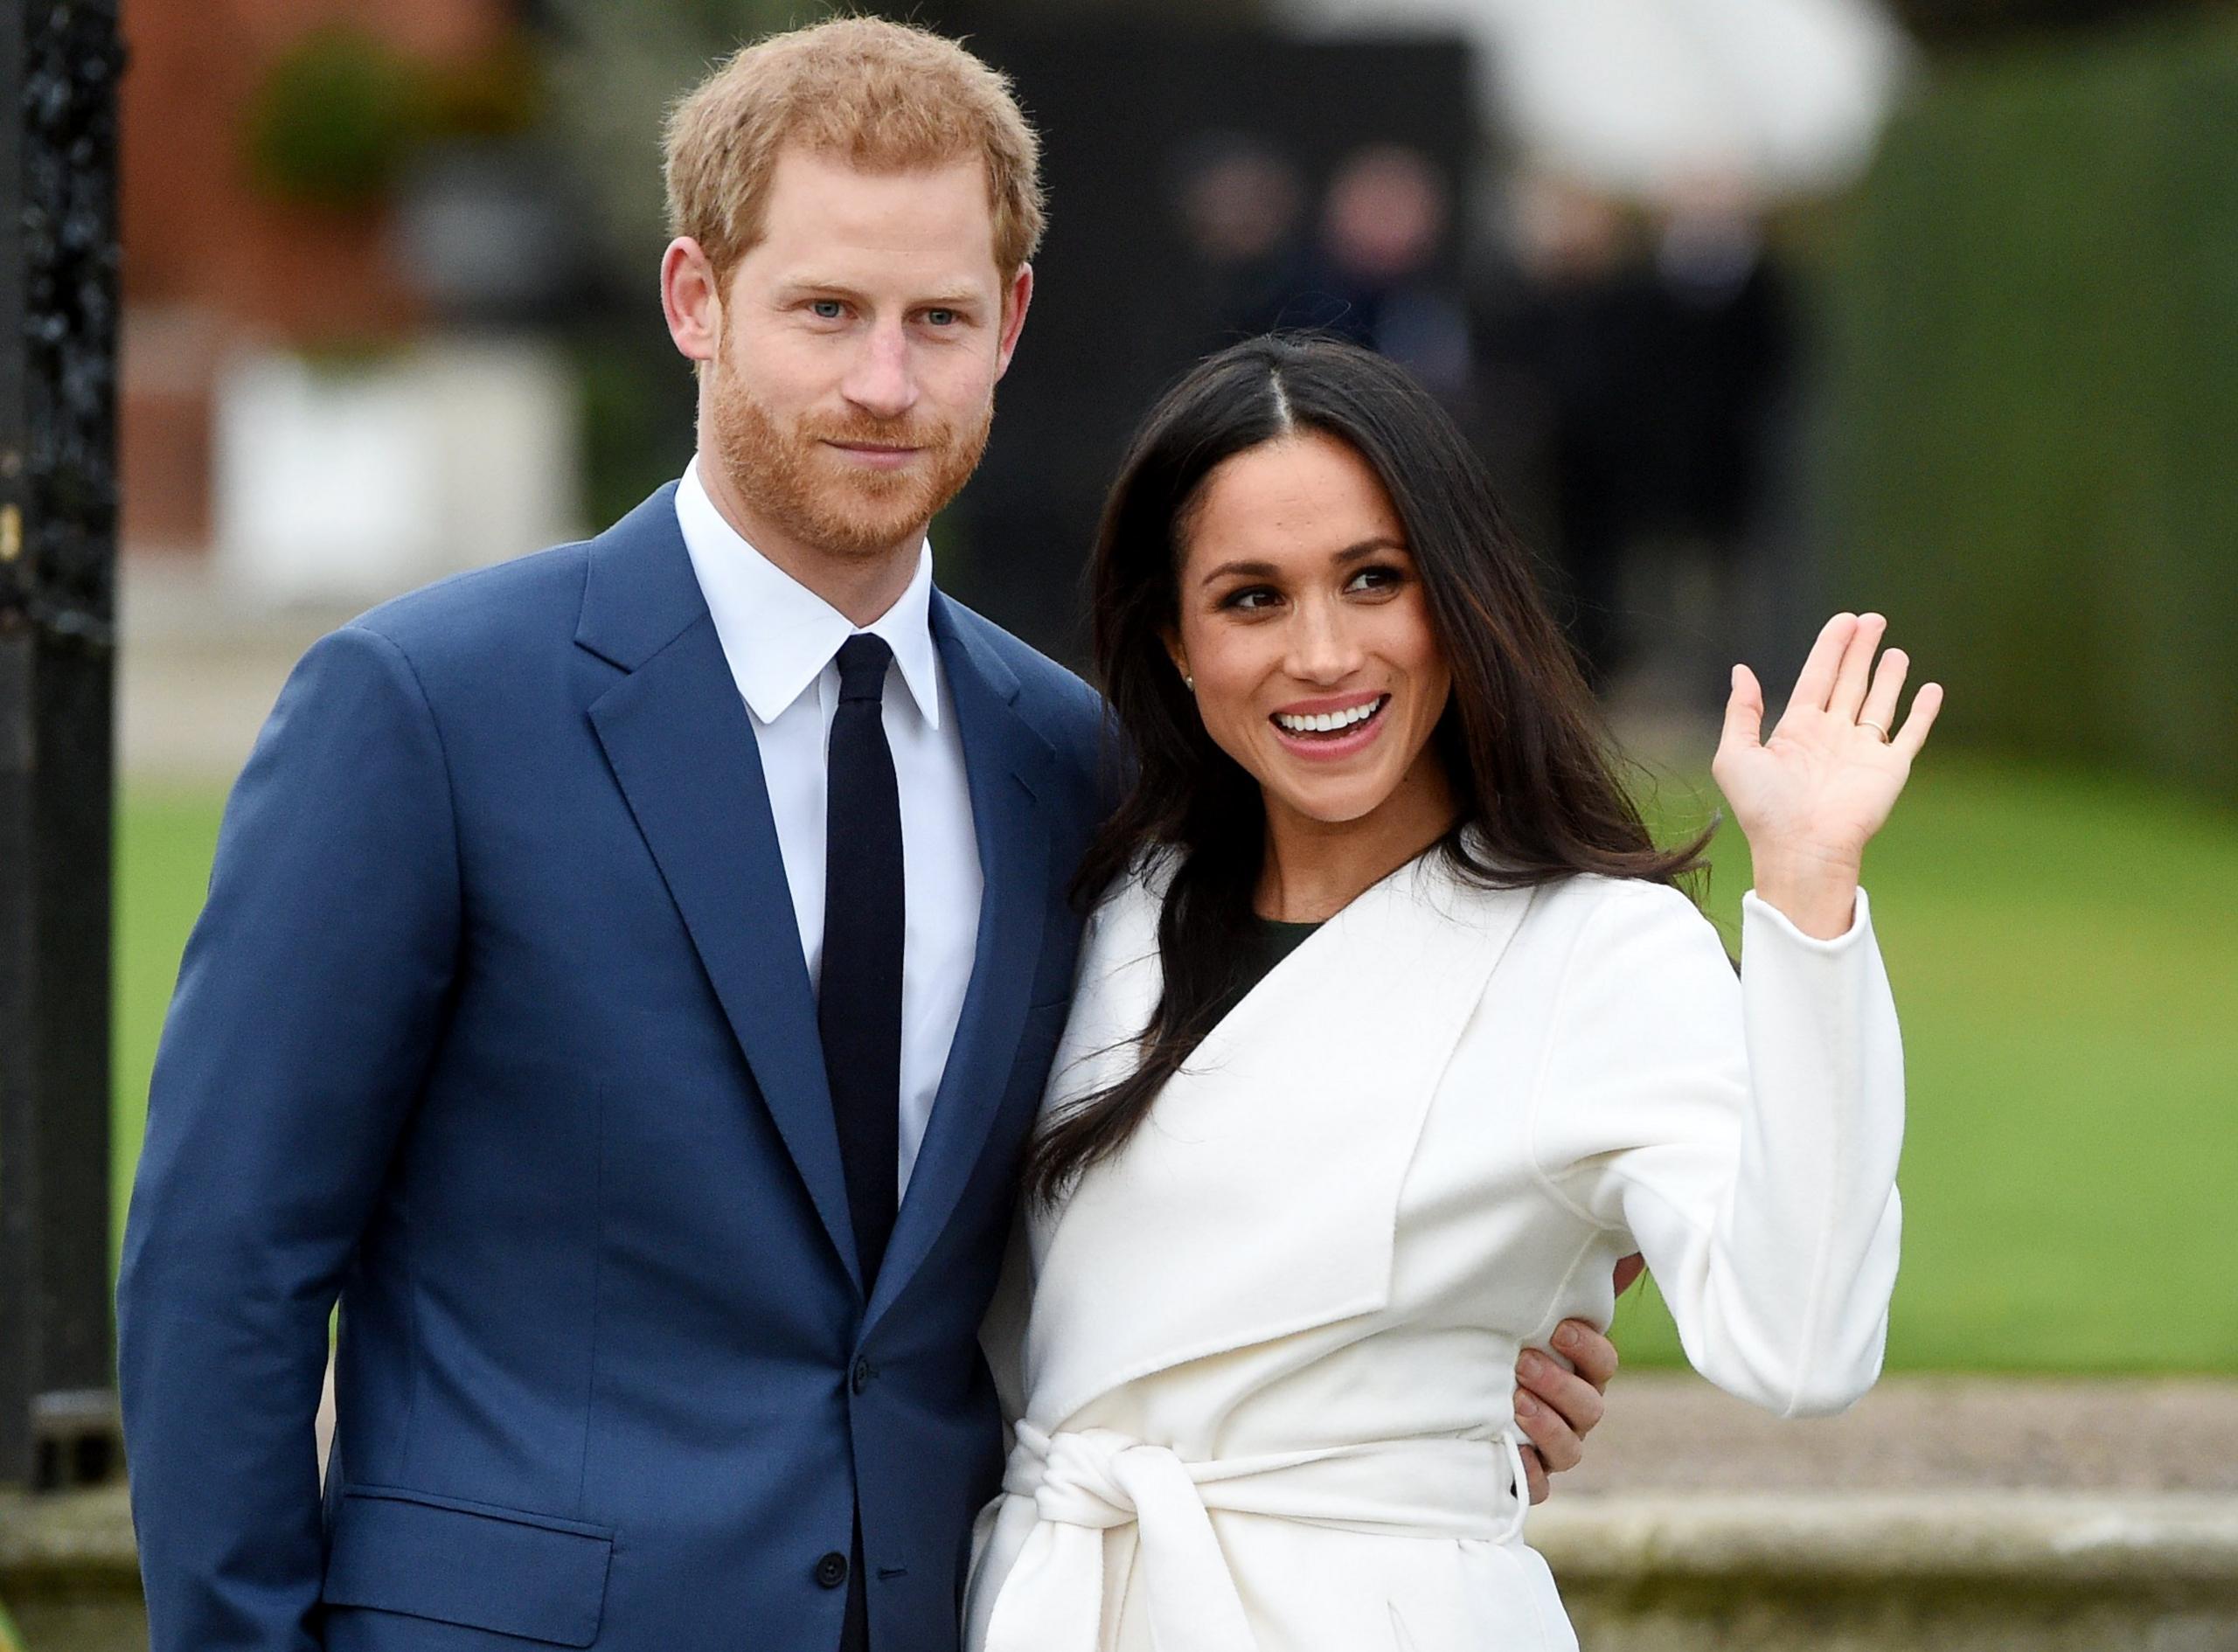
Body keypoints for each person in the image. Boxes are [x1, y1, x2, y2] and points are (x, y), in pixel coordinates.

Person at [114, 22, 1616, 1652]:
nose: (884, 384)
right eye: (825, 310)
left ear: (1010, 325)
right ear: (697, 298)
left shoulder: (1082, 763)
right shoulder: (422, 712)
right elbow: (222, 1274)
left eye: (938, 320)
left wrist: (1457, 1349)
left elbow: (1206, 1180)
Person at [963, 335, 1940, 1652]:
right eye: (1252, 597)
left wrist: (1810, 897)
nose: (1322, 652)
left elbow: (1806, 1342)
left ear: (1460, 599)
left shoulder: (1599, 955)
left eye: (1376, 580)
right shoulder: (1087, 909)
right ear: (1175, 642)